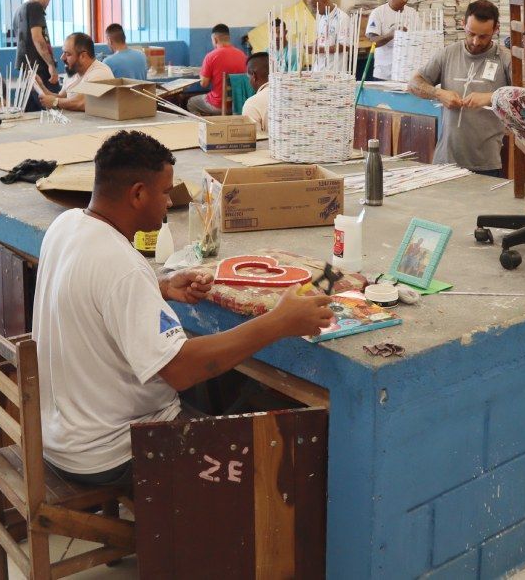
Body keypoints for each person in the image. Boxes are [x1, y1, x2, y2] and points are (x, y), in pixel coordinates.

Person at [31, 130, 334, 485]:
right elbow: (179, 370)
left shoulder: (67, 224)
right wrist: (278, 323)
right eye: (163, 192)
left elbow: (96, 294)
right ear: (138, 194)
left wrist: (159, 288)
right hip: (110, 452)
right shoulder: (123, 266)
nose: (167, 203)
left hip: (60, 436)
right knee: (281, 457)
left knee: (220, 391)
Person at [409, 0, 512, 176]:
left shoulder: (505, 58)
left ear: (495, 30)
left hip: (486, 163)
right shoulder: (448, 53)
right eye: (471, 33)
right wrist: (438, 93)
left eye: (483, 36)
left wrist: (491, 97)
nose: (475, 41)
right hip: (445, 161)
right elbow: (414, 83)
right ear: (463, 24)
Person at [38, 32, 112, 112]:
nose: (62, 57)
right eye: (63, 53)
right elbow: (62, 98)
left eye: (68, 54)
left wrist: (55, 102)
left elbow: (82, 102)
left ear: (83, 56)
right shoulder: (72, 72)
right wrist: (40, 86)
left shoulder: (100, 73)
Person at [12, 0, 60, 93]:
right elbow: (38, 39)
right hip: (39, 67)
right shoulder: (35, 7)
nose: (49, 2)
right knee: (53, 102)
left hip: (26, 66)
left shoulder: (19, 10)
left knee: (32, 106)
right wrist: (51, 65)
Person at [187, 23, 246, 116]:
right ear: (228, 38)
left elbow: (204, 84)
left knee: (191, 102)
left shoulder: (211, 57)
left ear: (215, 39)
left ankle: (209, 126)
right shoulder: (242, 55)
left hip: (218, 105)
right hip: (238, 105)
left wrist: (202, 72)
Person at [364, 0, 413, 81]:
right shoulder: (378, 13)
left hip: (406, 73)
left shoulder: (413, 13)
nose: (405, 0)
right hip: (383, 73)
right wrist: (392, 35)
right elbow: (373, 42)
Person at [310, 0, 351, 75]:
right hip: (318, 70)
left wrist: (319, 50)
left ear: (325, 1)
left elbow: (345, 46)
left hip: (334, 72)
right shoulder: (320, 17)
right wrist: (313, 45)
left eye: (315, 7)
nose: (314, 10)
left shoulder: (342, 18)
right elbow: (321, 38)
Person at [241, 51, 270, 132]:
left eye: (248, 76)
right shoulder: (296, 94)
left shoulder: (252, 104)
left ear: (254, 76)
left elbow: (251, 141)